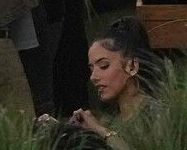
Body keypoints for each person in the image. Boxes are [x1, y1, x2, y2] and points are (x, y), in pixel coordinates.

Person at [67, 17, 159, 149]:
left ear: (132, 66)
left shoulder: (159, 116)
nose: (93, 77)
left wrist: (101, 131)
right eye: (91, 69)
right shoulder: (108, 119)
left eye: (104, 66)